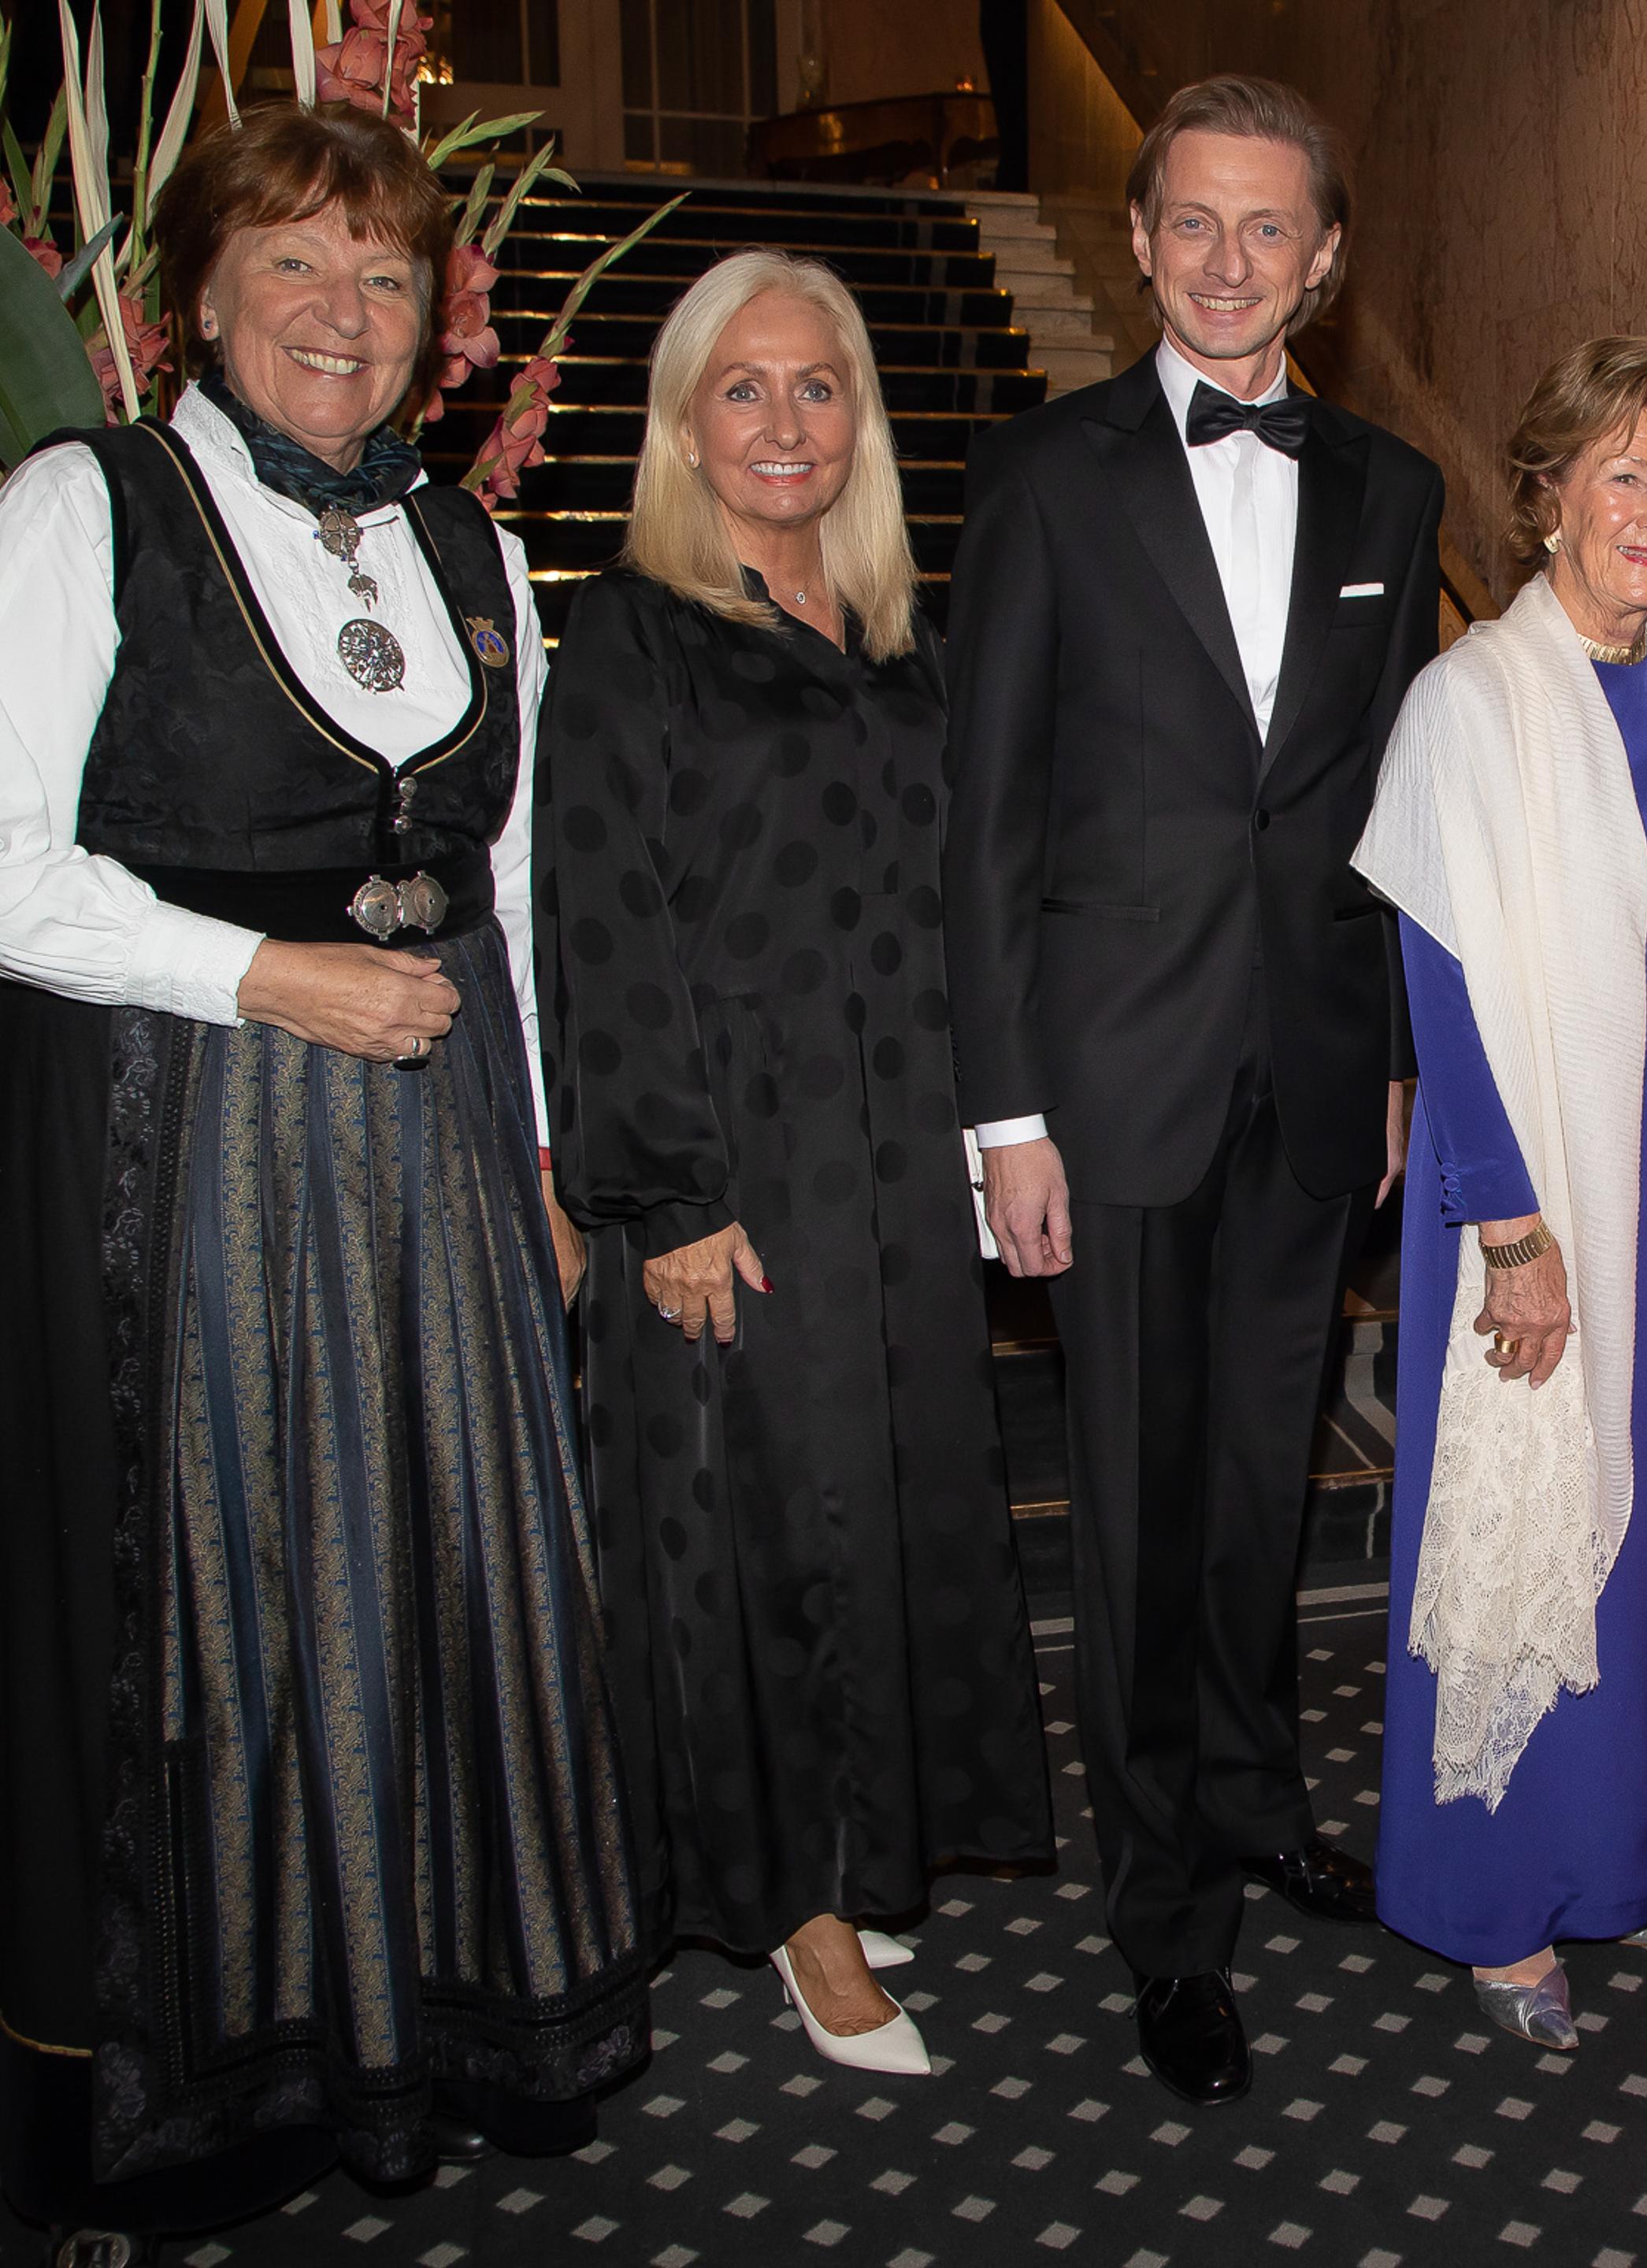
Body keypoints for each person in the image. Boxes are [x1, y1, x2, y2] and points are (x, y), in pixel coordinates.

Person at [0, 103, 647, 2256]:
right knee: (221, 1592)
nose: (344, 309)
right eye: (295, 262)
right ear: (199, 297)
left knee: (443, 1570)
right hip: (187, 1135)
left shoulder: (471, 548)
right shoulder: (87, 509)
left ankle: (454, 2023)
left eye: (386, 273)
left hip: (444, 1143)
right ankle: (217, 2087)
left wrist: (541, 1157)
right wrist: (261, 975)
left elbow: (509, 884)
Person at [942, 73, 1445, 2107]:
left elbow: (1387, 811)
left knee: (1260, 1489)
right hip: (1112, 1086)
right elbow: (985, 819)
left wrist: (1391, 1051)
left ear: (1326, 259)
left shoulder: (1394, 490)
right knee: (1141, 1519)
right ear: (1143, 241)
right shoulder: (1042, 473)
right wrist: (1006, 1117)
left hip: (1309, 1076)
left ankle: (1251, 1795)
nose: (1232, 261)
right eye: (1197, 223)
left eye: (1272, 228)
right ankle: (1166, 1917)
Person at [536, 251, 1052, 2080]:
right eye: (742, 389)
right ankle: (793, 1906)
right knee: (759, 1530)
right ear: (685, 426)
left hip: (897, 1145)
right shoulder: (634, 634)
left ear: (862, 421)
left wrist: (1000, 1126)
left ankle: (858, 1846)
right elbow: (596, 918)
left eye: (816, 386)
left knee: (888, 1505)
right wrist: (664, 1194)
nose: (783, 421)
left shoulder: (906, 637)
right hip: (735, 1156)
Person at [1355, 339, 1647, 2051]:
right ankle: (1495, 1904)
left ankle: (1619, 1863)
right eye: (1625, 476)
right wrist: (1510, 1232)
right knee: (1529, 1525)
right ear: (1548, 494)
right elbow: (1445, 993)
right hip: (1535, 1183)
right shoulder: (1470, 701)